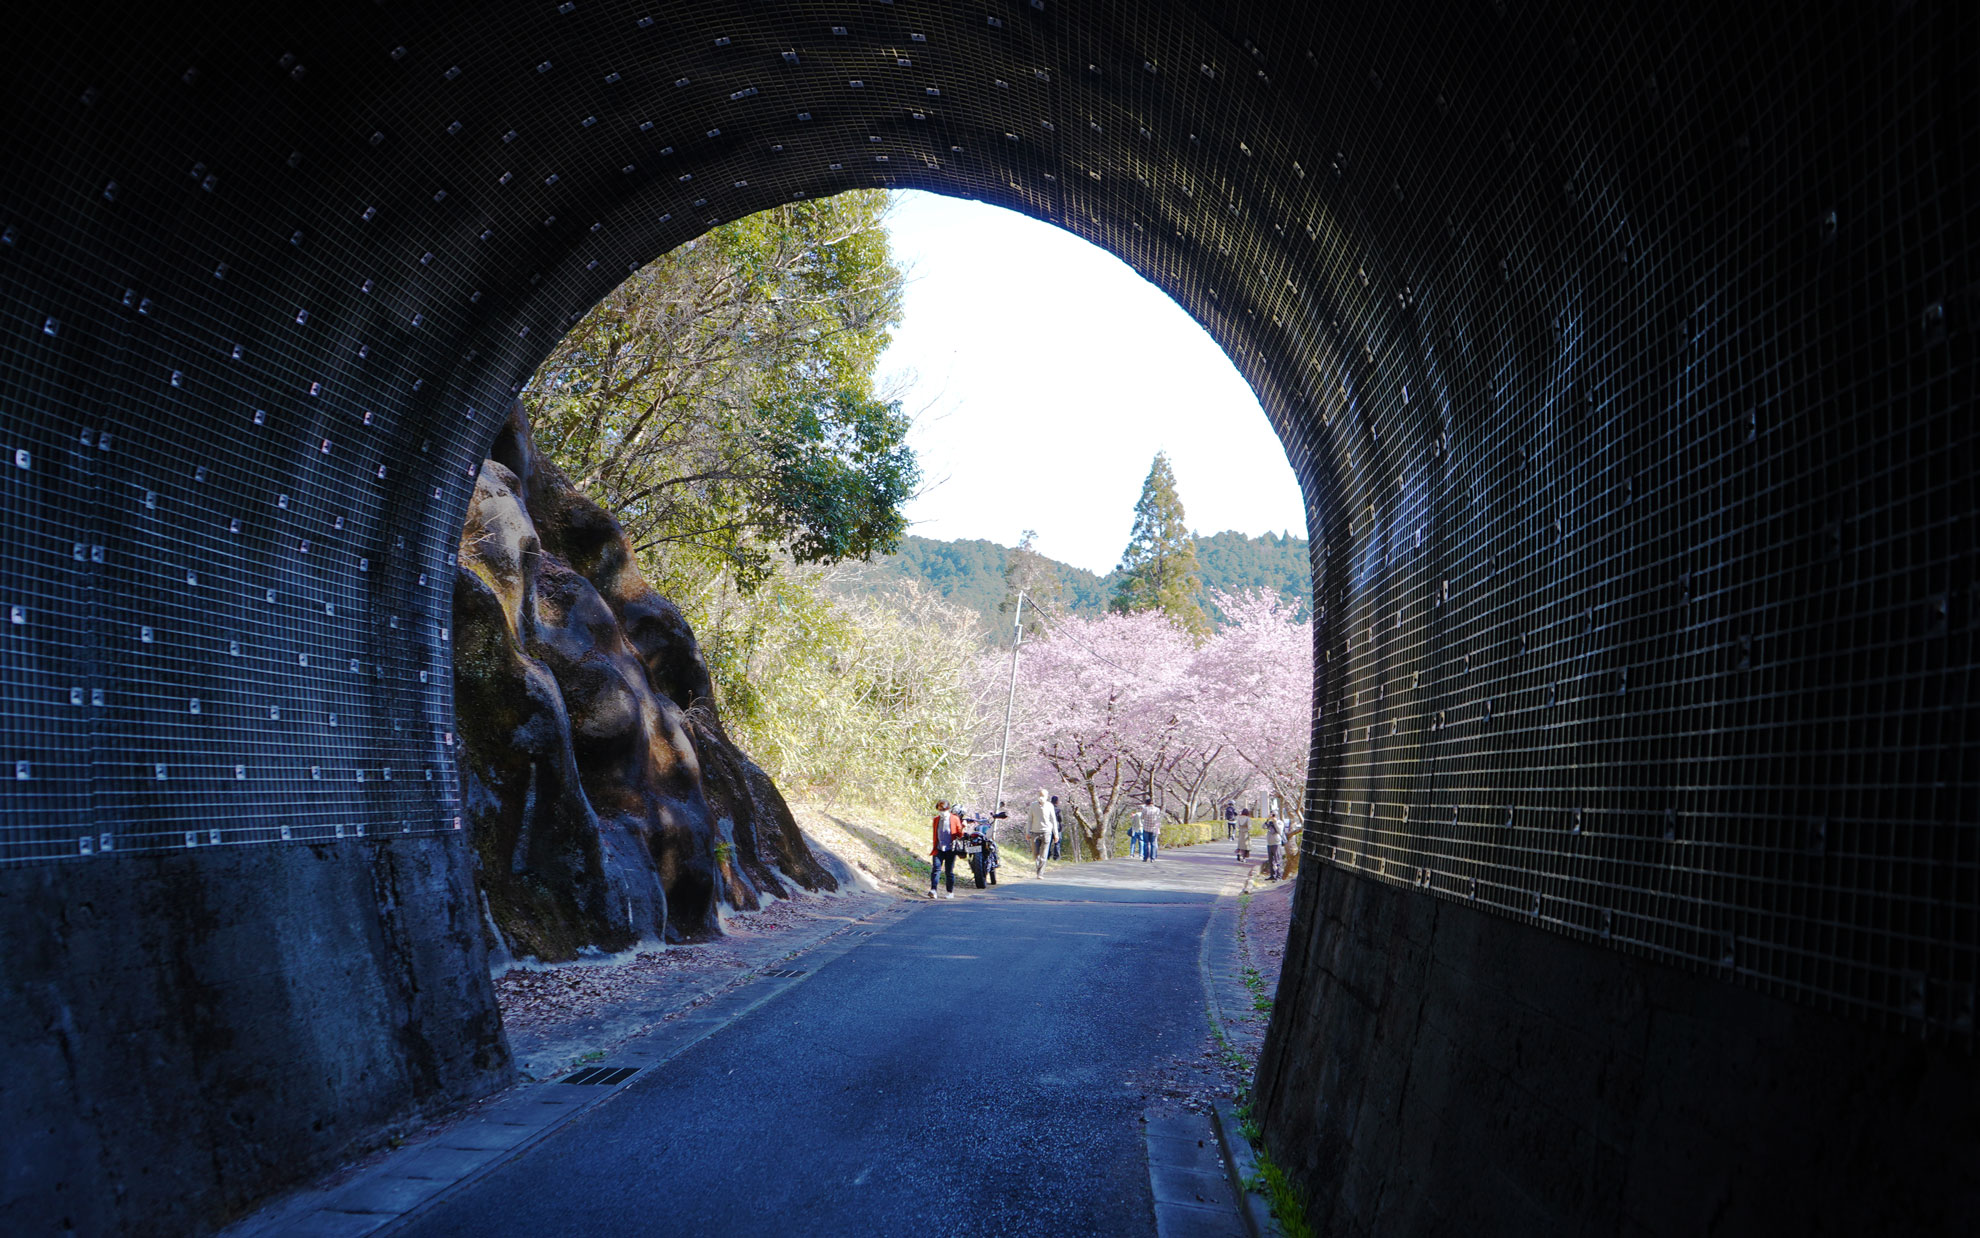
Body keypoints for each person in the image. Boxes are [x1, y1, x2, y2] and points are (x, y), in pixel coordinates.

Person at [928, 800, 961, 899]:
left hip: (951, 849)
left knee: (949, 871)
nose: (941, 811)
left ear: (948, 809)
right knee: (936, 869)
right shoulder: (936, 819)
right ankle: (933, 890)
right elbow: (936, 833)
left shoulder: (955, 819)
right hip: (938, 848)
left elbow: (959, 833)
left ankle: (950, 892)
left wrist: (962, 829)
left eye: (943, 809)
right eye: (939, 809)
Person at [1028, 788, 1058, 878]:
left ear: (1047, 797)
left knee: (1043, 854)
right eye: (1040, 795)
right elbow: (1029, 820)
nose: (1041, 797)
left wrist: (1055, 834)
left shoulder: (1049, 806)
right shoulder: (1033, 806)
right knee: (1035, 853)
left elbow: (1053, 820)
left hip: (1046, 832)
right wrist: (1027, 832)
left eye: (1043, 796)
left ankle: (1040, 873)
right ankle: (1038, 868)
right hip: (1034, 832)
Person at [1263, 813, 1284, 880]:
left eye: (1274, 815)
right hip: (1269, 843)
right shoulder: (1269, 822)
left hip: (1276, 843)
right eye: (1271, 815)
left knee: (1278, 860)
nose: (1272, 816)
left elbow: (1279, 831)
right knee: (1271, 861)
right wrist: (1267, 820)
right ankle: (1272, 875)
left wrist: (1275, 822)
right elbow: (1263, 827)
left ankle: (1279, 876)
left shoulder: (1280, 822)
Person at [1048, 795, 1065, 860]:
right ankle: (1056, 857)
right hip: (1057, 828)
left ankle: (1047, 856)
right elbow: (1060, 819)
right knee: (1057, 843)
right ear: (1057, 802)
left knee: (1048, 843)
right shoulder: (1058, 810)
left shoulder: (1048, 809)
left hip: (1048, 827)